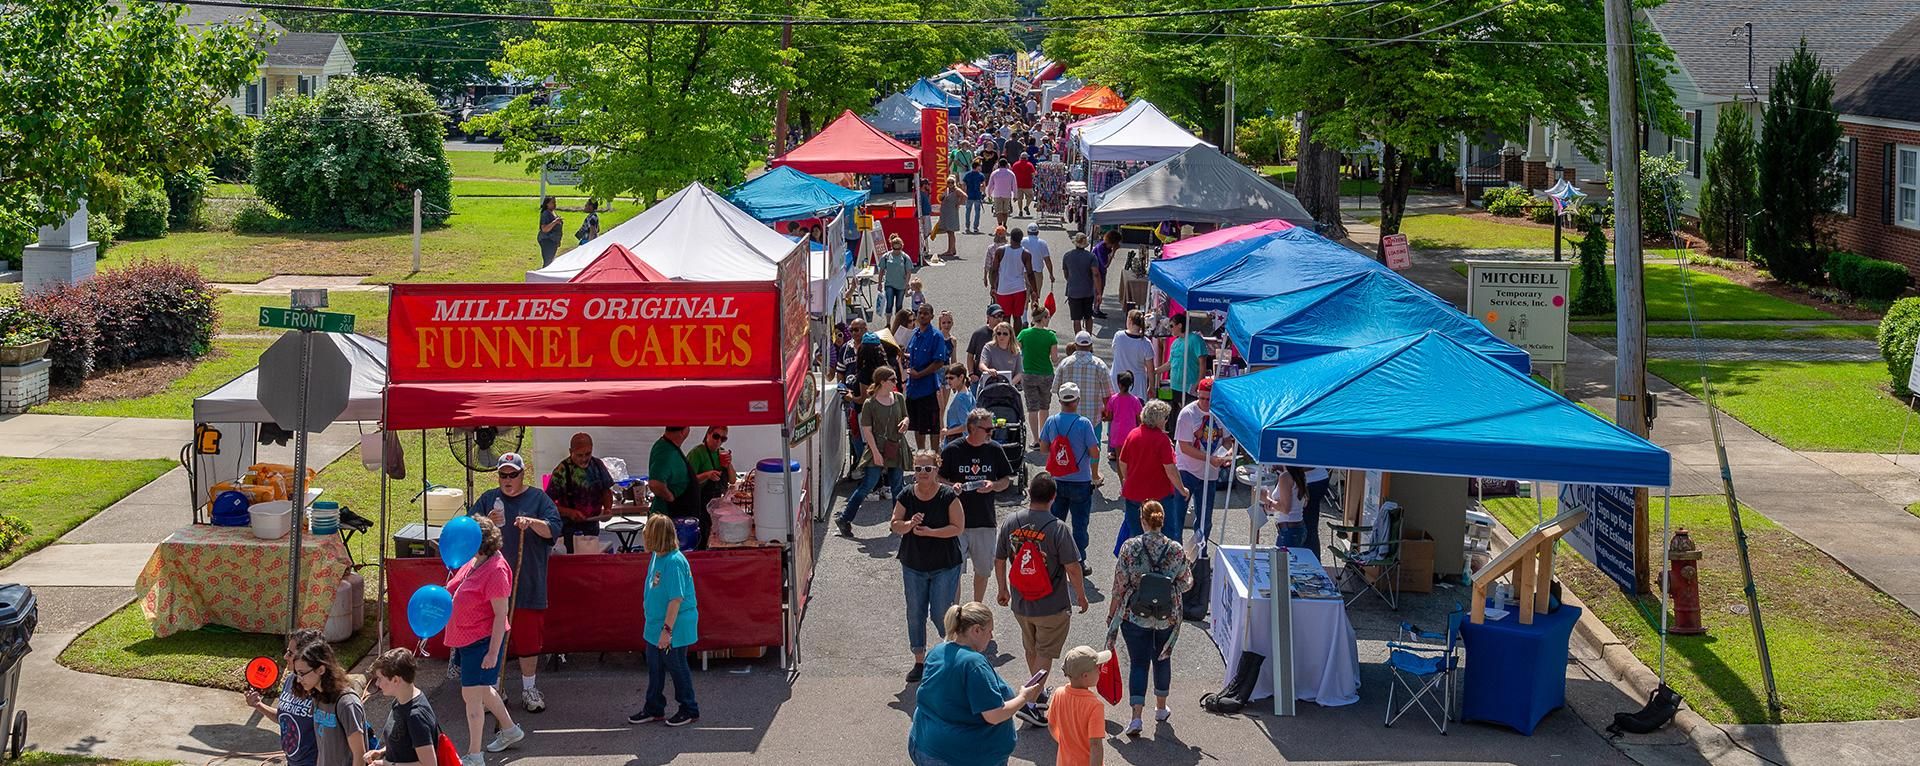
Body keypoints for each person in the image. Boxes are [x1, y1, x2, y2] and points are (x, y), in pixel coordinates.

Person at [995, 473, 1090, 728]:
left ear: (1028, 492)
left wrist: (1002, 588)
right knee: (1045, 654)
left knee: (1032, 649)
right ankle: (1029, 703)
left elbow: (1000, 558)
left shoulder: (1011, 522)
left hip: (1021, 602)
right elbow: (1072, 567)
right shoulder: (1058, 528)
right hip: (1052, 604)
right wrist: (1081, 595)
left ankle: (1037, 692)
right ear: (1053, 497)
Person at [468, 453, 560, 713]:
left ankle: (529, 688)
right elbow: (467, 529)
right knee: (493, 638)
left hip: (527, 580)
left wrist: (532, 523)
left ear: (522, 475)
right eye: (503, 475)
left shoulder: (538, 499)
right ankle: (495, 688)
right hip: (492, 584)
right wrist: (486, 522)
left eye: (512, 474)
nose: (507, 479)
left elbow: (554, 529)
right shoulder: (488, 498)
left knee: (528, 639)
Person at [906, 603, 1043, 766]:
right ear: (976, 630)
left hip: (924, 744)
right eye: (989, 631)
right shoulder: (973, 664)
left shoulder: (938, 651)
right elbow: (994, 715)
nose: (991, 636)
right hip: (958, 757)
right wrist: (1023, 697)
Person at [1106, 500, 1193, 737]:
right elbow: (1186, 582)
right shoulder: (1176, 549)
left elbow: (1119, 584)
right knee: (1162, 658)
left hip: (1135, 614)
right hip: (1166, 615)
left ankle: (1136, 718)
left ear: (1142, 520)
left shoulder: (1130, 547)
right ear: (1162, 520)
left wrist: (1112, 613)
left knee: (1138, 663)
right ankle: (1161, 708)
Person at [443, 517, 524, 761]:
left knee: (472, 699)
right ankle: (510, 730)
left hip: (481, 643)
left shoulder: (496, 570)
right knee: (484, 691)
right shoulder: (474, 559)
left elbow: (500, 615)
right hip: (467, 639)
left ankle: (474, 755)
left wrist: (492, 653)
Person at [893, 448, 965, 683]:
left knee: (940, 613)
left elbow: (958, 528)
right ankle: (919, 661)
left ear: (936, 469)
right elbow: (895, 524)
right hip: (914, 563)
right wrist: (908, 524)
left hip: (944, 563)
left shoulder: (947, 496)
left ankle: (956, 652)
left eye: (927, 468)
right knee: (915, 612)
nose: (922, 472)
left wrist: (931, 532)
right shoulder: (906, 494)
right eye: (918, 468)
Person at [629, 514, 701, 726]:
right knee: (655, 667)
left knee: (677, 667)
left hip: (673, 626)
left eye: (647, 533)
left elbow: (676, 600)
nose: (644, 536)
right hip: (655, 625)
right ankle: (654, 707)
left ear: (656, 537)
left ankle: (689, 708)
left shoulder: (674, 562)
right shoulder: (657, 556)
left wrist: (667, 631)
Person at [940, 408, 1015, 603]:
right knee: (954, 571)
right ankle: (955, 611)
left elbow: (1006, 480)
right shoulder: (953, 450)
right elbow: (937, 478)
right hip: (956, 522)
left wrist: (993, 485)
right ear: (972, 428)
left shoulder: (994, 449)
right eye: (988, 429)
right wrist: (951, 486)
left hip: (984, 521)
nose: (991, 433)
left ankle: (976, 607)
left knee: (983, 570)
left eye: (992, 429)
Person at [838, 367, 908, 537]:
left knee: (897, 486)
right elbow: (867, 431)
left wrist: (905, 422)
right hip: (876, 447)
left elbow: (906, 416)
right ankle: (845, 518)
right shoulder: (870, 403)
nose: (896, 382)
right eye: (893, 379)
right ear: (882, 382)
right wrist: (876, 453)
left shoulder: (898, 398)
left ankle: (896, 522)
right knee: (868, 485)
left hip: (896, 446)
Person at [1038, 382, 1101, 566]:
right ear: (1077, 400)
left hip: (1057, 480)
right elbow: (1094, 452)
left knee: (1054, 522)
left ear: (1060, 401)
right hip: (1080, 480)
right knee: (1080, 524)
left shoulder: (1051, 421)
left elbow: (1043, 448)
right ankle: (1079, 560)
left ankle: (1053, 558)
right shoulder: (1084, 423)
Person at [1117, 400, 1188, 546]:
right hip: (1159, 496)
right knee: (1167, 536)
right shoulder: (1162, 440)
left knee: (1136, 538)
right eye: (1166, 417)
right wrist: (1182, 489)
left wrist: (1127, 479)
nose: (1167, 421)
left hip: (1134, 494)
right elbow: (1170, 470)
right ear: (1158, 420)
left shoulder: (1133, 434)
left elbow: (1123, 462)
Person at [245, 636, 320, 766]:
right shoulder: (290, 680)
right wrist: (258, 705)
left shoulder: (321, 691)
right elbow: (284, 717)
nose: (285, 657)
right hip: (293, 761)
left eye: (290, 653)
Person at [1175, 378, 1235, 542]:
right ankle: (1176, 552)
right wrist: (1210, 459)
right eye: (1201, 398)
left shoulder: (1221, 413)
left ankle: (1200, 552)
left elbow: (1227, 441)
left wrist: (1226, 454)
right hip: (1187, 470)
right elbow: (1185, 447)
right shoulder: (1187, 414)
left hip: (1210, 474)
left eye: (1208, 399)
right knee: (1178, 516)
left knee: (1205, 520)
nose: (1205, 402)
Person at [292, 639, 368, 766]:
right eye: (297, 674)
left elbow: (359, 755)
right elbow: (322, 749)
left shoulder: (347, 703)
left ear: (321, 670)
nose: (299, 680)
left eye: (302, 673)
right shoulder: (317, 697)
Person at [363, 649, 440, 766]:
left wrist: (386, 764)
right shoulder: (400, 701)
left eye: (380, 678)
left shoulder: (416, 717)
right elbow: (402, 742)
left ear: (395, 680)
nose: (377, 684)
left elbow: (429, 764)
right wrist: (381, 752)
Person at [547, 433, 614, 555]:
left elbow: (606, 490)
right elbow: (548, 503)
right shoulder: (562, 470)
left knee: (591, 559)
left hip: (592, 526)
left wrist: (608, 508)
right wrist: (569, 512)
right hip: (569, 528)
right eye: (579, 455)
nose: (584, 459)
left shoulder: (597, 465)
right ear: (570, 451)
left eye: (588, 454)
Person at [648, 427, 710, 550]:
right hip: (670, 522)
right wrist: (670, 497)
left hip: (681, 521)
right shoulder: (665, 451)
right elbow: (655, 484)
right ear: (683, 431)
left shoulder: (671, 448)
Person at [1049, 646, 1111, 766]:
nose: (1099, 671)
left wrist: (1065, 744)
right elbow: (1095, 745)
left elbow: (1052, 725)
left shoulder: (1059, 693)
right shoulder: (1095, 706)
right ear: (1085, 676)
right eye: (1097, 668)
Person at [904, 304, 951, 450]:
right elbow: (912, 354)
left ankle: (934, 457)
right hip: (913, 388)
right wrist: (903, 355)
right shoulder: (914, 334)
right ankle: (921, 454)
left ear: (931, 316)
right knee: (918, 426)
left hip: (928, 389)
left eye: (926, 313)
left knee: (932, 426)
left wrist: (920, 374)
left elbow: (939, 362)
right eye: (920, 313)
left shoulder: (936, 336)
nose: (922, 316)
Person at [1055, 332, 1111, 450]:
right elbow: (1108, 395)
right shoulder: (1100, 365)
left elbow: (1057, 389)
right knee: (1093, 451)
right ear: (1090, 346)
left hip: (1069, 418)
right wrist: (1107, 412)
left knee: (1071, 451)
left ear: (1076, 345)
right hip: (1094, 418)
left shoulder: (1065, 364)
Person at [1015, 306, 1059, 447]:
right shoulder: (1051, 336)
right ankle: (1043, 438)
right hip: (1046, 374)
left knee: (1032, 408)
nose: (1049, 319)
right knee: (1044, 407)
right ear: (1043, 318)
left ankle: (1035, 439)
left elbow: (1015, 351)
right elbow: (1054, 359)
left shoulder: (1024, 333)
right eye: (1048, 317)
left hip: (1028, 373)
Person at [1254, 466, 1309, 548]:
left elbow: (1285, 509)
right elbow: (1303, 503)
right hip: (1297, 528)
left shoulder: (1285, 477)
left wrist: (1266, 499)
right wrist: (1273, 507)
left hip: (1289, 531)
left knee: (1281, 556)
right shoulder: (1299, 473)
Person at [1165, 313, 1212, 409]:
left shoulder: (1195, 339)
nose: (1170, 329)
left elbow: (1202, 363)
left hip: (1190, 386)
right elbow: (1170, 364)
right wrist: (1154, 371)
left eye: (1171, 326)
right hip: (1175, 386)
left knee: (1190, 412)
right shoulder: (1175, 343)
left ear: (1179, 325)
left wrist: (1199, 382)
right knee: (1177, 414)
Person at [1107, 310, 1156, 398]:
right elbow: (1150, 369)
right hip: (1137, 385)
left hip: (1117, 381)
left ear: (1129, 320)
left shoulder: (1118, 336)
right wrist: (1151, 386)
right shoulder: (1146, 343)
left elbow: (1115, 350)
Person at [1104, 371, 1145, 474]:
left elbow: (1110, 417)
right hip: (1131, 433)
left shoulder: (1113, 399)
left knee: (1120, 458)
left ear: (1119, 384)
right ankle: (1130, 478)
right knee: (1131, 458)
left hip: (1117, 432)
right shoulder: (1135, 400)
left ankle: (1122, 480)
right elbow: (1139, 419)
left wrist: (1104, 418)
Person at [987, 227, 1031, 321]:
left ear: (1010, 238)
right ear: (1021, 239)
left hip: (1003, 289)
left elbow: (994, 270)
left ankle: (1006, 331)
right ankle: (1017, 331)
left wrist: (993, 286)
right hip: (1019, 289)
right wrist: (1034, 290)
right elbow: (1030, 273)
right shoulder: (1025, 253)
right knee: (1017, 317)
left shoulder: (1000, 251)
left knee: (1005, 316)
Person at [686, 426, 735, 508]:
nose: (719, 441)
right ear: (708, 434)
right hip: (699, 501)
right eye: (716, 436)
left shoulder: (721, 452)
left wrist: (729, 464)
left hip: (717, 501)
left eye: (723, 439)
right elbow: (688, 481)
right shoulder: (697, 453)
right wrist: (707, 475)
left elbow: (732, 480)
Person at [1060, 233, 1099, 335]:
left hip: (1073, 291)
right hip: (1088, 291)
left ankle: (1079, 339)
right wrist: (1098, 292)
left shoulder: (1067, 256)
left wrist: (1072, 281)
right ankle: (1088, 337)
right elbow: (1095, 274)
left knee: (1076, 319)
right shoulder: (1091, 256)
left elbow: (1066, 274)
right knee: (1088, 317)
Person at [878, 235, 915, 317]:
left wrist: (906, 284)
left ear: (902, 247)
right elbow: (881, 271)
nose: (897, 251)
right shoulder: (886, 257)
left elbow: (908, 272)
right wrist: (879, 283)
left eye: (899, 249)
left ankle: (897, 322)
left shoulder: (905, 257)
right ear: (891, 247)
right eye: (895, 249)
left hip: (901, 285)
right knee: (889, 304)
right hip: (889, 284)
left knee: (899, 306)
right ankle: (888, 322)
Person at [940, 364, 977, 444]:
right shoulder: (968, 393)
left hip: (958, 440)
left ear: (961, 377)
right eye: (946, 378)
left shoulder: (960, 399)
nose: (948, 381)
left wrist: (947, 432)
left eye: (951, 378)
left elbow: (966, 425)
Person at [1089, 230, 1122, 319]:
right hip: (1097, 272)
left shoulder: (1106, 247)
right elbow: (1105, 264)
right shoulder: (1101, 248)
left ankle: (1096, 308)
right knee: (1097, 290)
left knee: (1100, 289)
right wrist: (1114, 251)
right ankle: (1095, 309)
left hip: (1101, 272)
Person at [967, 305, 1006, 376]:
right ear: (988, 317)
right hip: (980, 375)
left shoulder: (1007, 334)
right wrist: (971, 374)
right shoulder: (978, 334)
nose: (999, 319)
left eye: (1000, 316)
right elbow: (970, 355)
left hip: (1001, 375)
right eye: (995, 316)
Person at [1021, 224, 1054, 306]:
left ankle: (1024, 314)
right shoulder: (1042, 243)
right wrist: (1051, 274)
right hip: (1037, 273)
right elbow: (1047, 260)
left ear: (1027, 232)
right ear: (1037, 232)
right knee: (1035, 297)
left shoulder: (1022, 241)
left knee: (1024, 297)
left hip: (1024, 272)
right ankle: (1035, 313)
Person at [936, 174, 963, 260]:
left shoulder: (956, 190)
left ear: (954, 183)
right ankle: (952, 249)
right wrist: (943, 196)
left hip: (951, 213)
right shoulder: (947, 190)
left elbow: (964, 196)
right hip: (947, 213)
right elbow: (941, 198)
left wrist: (958, 204)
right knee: (949, 232)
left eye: (952, 182)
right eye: (948, 182)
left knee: (951, 231)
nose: (950, 184)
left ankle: (950, 250)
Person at [987, 159, 1017, 229]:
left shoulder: (994, 173)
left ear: (999, 165)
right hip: (1007, 195)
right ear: (1006, 165)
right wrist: (1015, 196)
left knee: (998, 211)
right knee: (1005, 211)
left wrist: (989, 194)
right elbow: (1014, 186)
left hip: (997, 194)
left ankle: (1000, 225)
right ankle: (1005, 224)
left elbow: (990, 185)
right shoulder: (1011, 173)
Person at [536, 196, 564, 267]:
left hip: (554, 240)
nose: (555, 204)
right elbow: (544, 229)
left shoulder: (553, 212)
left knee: (550, 260)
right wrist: (555, 222)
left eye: (555, 202)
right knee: (548, 261)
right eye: (552, 202)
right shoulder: (546, 214)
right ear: (547, 204)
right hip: (547, 240)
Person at [962, 161, 987, 234]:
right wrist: (984, 192)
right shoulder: (981, 175)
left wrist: (964, 193)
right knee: (977, 212)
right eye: (979, 166)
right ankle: (975, 227)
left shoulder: (967, 175)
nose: (980, 167)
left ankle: (967, 227)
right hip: (977, 196)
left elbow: (964, 184)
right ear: (977, 167)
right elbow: (983, 185)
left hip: (969, 195)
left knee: (968, 211)